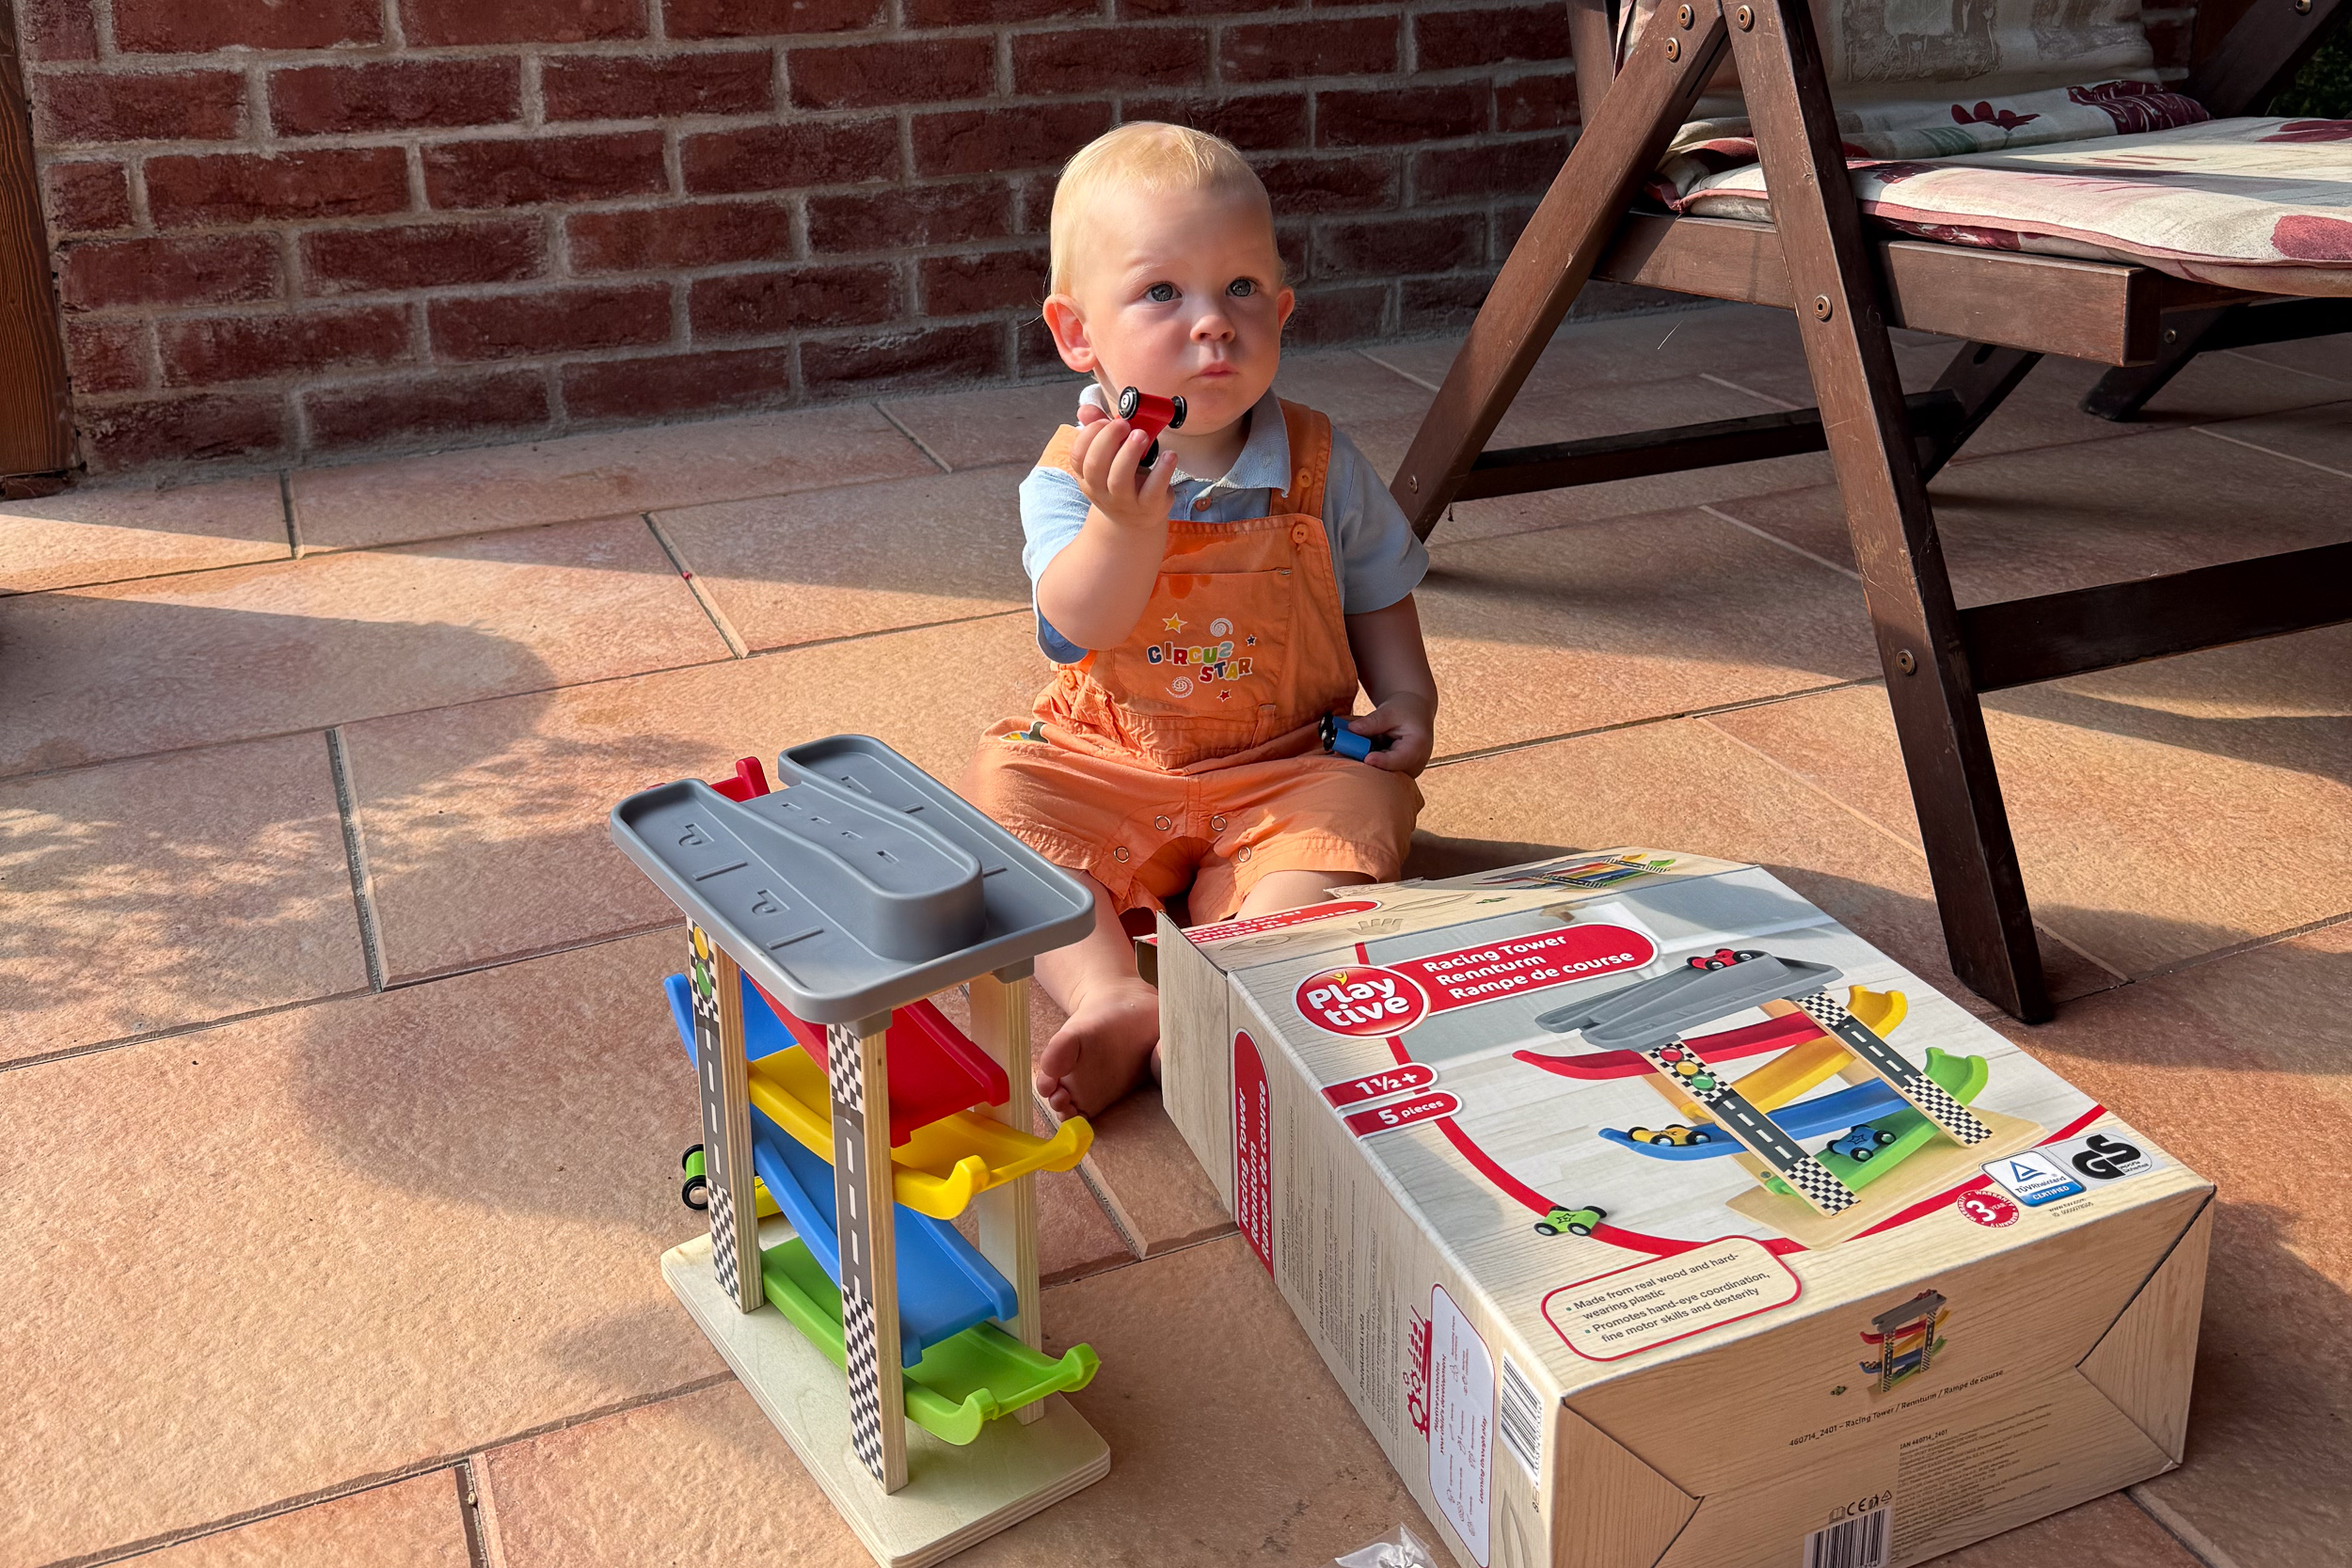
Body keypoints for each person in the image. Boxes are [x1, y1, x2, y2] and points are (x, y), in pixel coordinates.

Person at [962, 122, 1438, 1117]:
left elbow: (1375, 588)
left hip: (1286, 763)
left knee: (1360, 815)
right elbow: (1077, 621)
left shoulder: (1320, 460)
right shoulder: (1069, 478)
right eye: (1161, 292)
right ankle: (1110, 993)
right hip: (1109, 759)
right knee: (1000, 797)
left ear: (1283, 310)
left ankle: (1233, 978)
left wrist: (1406, 695)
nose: (1214, 323)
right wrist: (1123, 525)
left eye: (1242, 288)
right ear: (1077, 333)